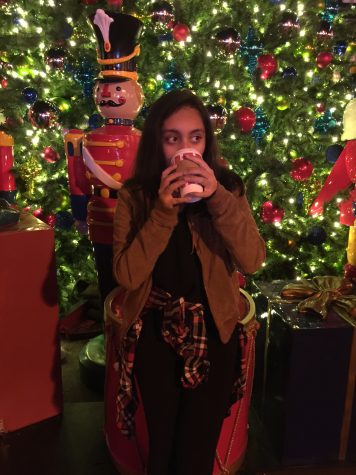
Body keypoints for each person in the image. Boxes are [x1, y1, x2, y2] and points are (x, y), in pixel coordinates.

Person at [112, 89, 266, 475]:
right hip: (154, 333)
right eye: (172, 138)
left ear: (206, 141)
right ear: (157, 143)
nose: (185, 148)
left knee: (198, 445)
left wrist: (216, 198)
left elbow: (253, 259)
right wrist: (163, 212)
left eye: (195, 137)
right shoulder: (136, 195)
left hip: (214, 331)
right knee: (162, 443)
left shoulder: (227, 188)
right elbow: (127, 275)